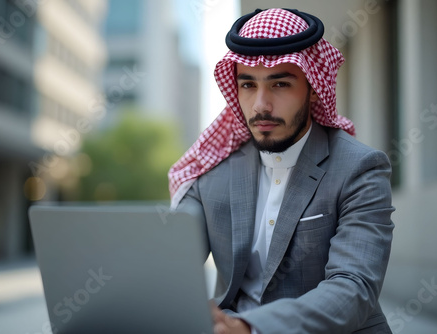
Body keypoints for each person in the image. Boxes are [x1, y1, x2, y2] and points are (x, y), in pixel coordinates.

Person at [168, 8, 394, 334]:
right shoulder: (212, 169)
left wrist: (249, 326)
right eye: (247, 85)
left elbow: (354, 289)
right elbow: (169, 264)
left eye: (280, 84)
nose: (261, 104)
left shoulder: (360, 169)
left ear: (314, 86)